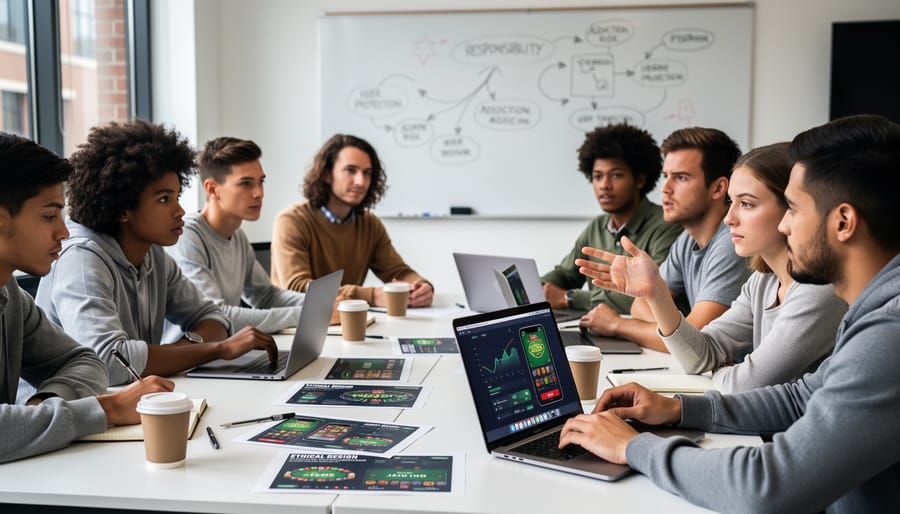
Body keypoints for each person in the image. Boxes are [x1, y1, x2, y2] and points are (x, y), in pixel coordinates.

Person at [560, 114, 900, 512]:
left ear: (843, 222)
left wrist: (633, 447)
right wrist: (678, 409)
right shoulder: (872, 312)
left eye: (793, 209)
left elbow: (768, 486)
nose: (785, 227)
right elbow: (800, 398)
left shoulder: (888, 332)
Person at [583, 143, 848, 392]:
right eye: (732, 202)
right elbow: (699, 356)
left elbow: (743, 385)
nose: (729, 218)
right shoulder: (762, 281)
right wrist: (656, 293)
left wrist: (719, 372)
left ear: (790, 208)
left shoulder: (818, 290)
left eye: (747, 204)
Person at [35, 120, 277, 386]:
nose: (179, 211)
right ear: (123, 208)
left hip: (134, 397)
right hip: (67, 406)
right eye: (164, 199)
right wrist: (217, 349)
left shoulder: (153, 253)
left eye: (177, 197)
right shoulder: (81, 259)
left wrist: (189, 349)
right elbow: (109, 362)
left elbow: (213, 318)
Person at [0, 132, 173, 463]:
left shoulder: (10, 292)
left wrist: (45, 408)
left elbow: (86, 361)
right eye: (49, 216)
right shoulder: (81, 256)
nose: (64, 232)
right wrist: (107, 408)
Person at [579, 127, 750, 352]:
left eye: (681, 178)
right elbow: (641, 304)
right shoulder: (686, 240)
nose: (666, 189)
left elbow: (692, 344)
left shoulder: (732, 243)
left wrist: (616, 324)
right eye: (665, 176)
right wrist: (676, 332)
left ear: (718, 188)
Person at [165, 137, 310, 335]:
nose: (259, 193)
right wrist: (308, 314)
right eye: (246, 184)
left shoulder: (238, 236)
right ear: (212, 189)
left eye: (261, 182)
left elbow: (265, 295)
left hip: (225, 350)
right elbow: (215, 316)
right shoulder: (187, 236)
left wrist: (321, 305)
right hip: (191, 354)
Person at [270, 134, 433, 307]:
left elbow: (398, 272)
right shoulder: (292, 220)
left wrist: (421, 287)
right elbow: (297, 288)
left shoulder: (370, 224)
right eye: (350, 170)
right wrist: (371, 296)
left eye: (367, 173)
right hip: (295, 319)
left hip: (347, 319)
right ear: (327, 174)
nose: (361, 181)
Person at [541, 124, 683, 314]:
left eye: (616, 175)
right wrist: (537, 289)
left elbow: (650, 292)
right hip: (601, 326)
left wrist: (570, 298)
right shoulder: (597, 226)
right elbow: (566, 274)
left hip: (649, 330)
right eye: (597, 176)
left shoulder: (667, 226)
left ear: (640, 180)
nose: (604, 185)